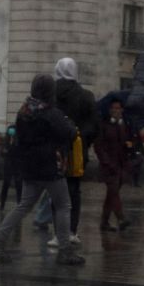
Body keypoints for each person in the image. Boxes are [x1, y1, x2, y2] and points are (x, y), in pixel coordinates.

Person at [0, 75, 85, 266]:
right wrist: (70, 124)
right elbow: (69, 133)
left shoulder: (24, 111)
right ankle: (65, 250)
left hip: (29, 166)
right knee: (64, 205)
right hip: (49, 166)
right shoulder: (52, 113)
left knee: (23, 205)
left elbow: (21, 137)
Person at [52, 57, 98, 238]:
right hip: (77, 151)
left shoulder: (50, 95)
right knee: (73, 191)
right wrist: (83, 141)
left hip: (54, 151)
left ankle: (57, 232)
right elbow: (95, 125)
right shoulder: (86, 96)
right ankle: (71, 231)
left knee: (55, 191)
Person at [94, 99, 136, 231]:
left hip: (122, 165)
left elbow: (130, 142)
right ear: (110, 110)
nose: (116, 111)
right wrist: (105, 161)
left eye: (119, 109)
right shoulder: (104, 125)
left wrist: (130, 146)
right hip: (109, 166)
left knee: (111, 194)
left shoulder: (125, 125)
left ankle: (104, 222)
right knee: (113, 192)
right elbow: (99, 146)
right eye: (114, 108)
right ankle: (121, 218)